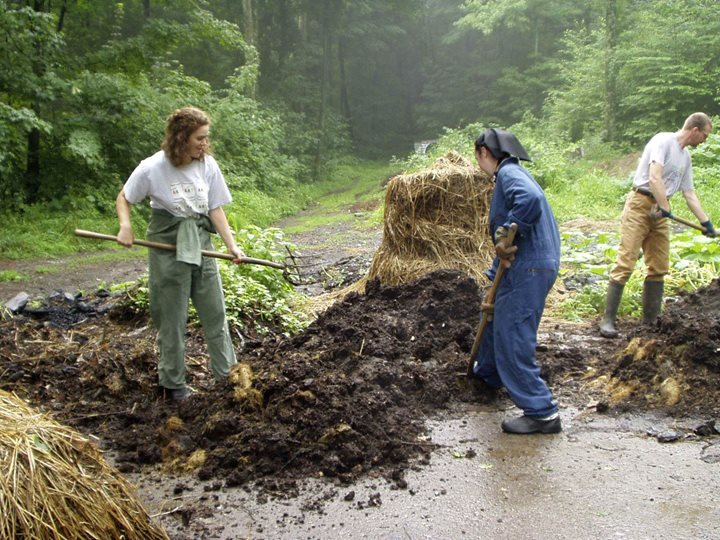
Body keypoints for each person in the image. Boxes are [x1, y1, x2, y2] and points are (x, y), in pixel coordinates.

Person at [116, 106, 244, 400]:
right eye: (199, 138)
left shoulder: (207, 165)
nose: (204, 143)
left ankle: (226, 378)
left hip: (201, 243)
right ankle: (173, 383)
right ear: (181, 137)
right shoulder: (153, 167)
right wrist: (125, 226)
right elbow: (124, 197)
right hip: (168, 244)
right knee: (171, 316)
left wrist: (232, 245)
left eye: (206, 137)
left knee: (215, 313)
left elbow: (214, 208)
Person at [471, 128, 562, 434]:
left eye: (478, 158)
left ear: (484, 153)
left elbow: (530, 200)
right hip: (526, 266)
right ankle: (487, 375)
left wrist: (510, 227)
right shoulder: (513, 173)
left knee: (512, 334)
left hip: (529, 269)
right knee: (497, 320)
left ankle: (542, 412)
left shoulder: (509, 174)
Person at [599, 112, 716, 338]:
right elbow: (654, 177)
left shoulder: (686, 158)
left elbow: (689, 193)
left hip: (662, 211)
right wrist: (664, 206)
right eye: (705, 135)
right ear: (695, 130)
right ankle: (608, 320)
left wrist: (706, 222)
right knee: (626, 261)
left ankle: (649, 323)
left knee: (659, 266)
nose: (705, 140)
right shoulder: (663, 141)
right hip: (640, 205)